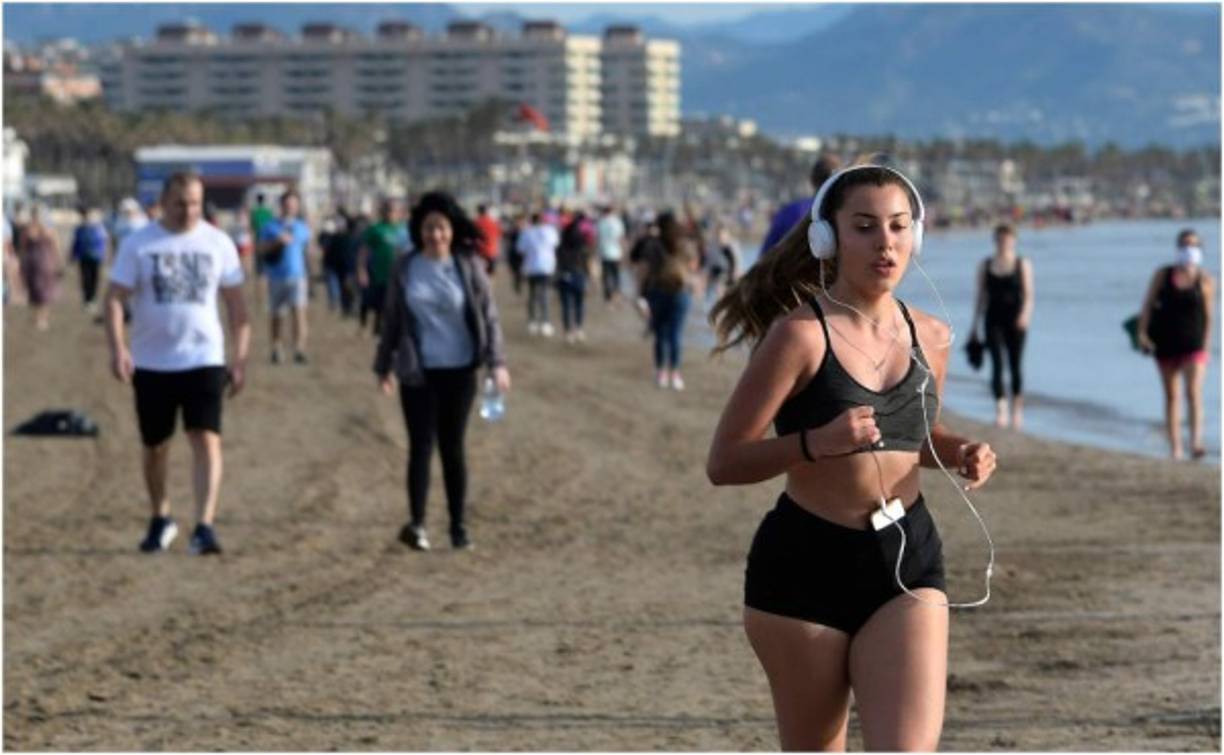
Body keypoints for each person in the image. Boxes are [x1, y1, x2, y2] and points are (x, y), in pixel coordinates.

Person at [705, 165, 997, 750]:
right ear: (828, 238)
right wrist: (816, 443)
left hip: (907, 557)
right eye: (864, 227)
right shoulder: (798, 337)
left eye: (897, 226)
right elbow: (725, 461)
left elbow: (919, 432)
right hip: (805, 566)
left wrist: (959, 450)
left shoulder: (932, 334)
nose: (884, 242)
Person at [104, 172, 250, 555]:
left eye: (196, 204)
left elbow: (237, 306)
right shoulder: (139, 244)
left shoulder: (218, 243)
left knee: (206, 437)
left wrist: (240, 358)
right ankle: (160, 516)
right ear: (164, 202)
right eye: (181, 203)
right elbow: (115, 298)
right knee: (156, 446)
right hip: (151, 362)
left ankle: (204, 525)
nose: (189, 211)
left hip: (204, 357)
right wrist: (118, 348)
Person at [373, 191, 510, 552]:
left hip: (460, 369)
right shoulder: (406, 267)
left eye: (442, 228)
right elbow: (391, 321)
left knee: (453, 448)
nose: (436, 235)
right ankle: (417, 524)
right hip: (417, 371)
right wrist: (383, 366)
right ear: (419, 230)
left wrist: (498, 363)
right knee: (420, 447)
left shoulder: (467, 265)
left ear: (452, 230)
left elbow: (489, 316)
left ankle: (458, 526)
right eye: (429, 228)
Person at [1138, 228, 1215, 460]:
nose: (1188, 249)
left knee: (1193, 392)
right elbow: (1147, 304)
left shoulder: (1206, 280)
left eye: (1193, 245)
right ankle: (1175, 447)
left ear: (1200, 249)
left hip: (1194, 343)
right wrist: (1142, 332)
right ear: (1177, 248)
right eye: (1184, 244)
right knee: (1172, 396)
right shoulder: (1163, 275)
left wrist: (1207, 345)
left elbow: (1209, 316)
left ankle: (1196, 442)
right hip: (1166, 341)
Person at [970, 223, 1034, 429]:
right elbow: (980, 297)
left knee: (1015, 365)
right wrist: (974, 326)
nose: (1003, 243)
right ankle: (1001, 409)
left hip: (1016, 320)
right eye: (1000, 239)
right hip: (993, 319)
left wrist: (1024, 315)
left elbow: (1029, 295)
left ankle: (1017, 409)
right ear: (995, 240)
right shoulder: (986, 264)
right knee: (997, 364)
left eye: (1007, 239)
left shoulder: (1022, 263)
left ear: (1013, 241)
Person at [640, 211, 699, 390]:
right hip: (681, 292)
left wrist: (641, 293)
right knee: (675, 334)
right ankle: (675, 374)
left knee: (660, 334)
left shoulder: (653, 245)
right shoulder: (685, 244)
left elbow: (645, 269)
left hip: (657, 291)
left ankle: (661, 373)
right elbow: (694, 265)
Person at [257, 190, 313, 364]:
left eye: (293, 204)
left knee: (299, 312)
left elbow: (308, 250)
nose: (290, 207)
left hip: (297, 276)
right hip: (276, 277)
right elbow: (261, 249)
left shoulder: (302, 227)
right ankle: (276, 348)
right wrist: (277, 242)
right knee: (277, 315)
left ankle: (299, 349)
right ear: (281, 206)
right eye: (287, 204)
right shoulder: (270, 227)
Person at [760, 153, 843, 255]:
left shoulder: (788, 212)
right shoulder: (845, 216)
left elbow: (764, 258)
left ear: (812, 180)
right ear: (840, 182)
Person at [357, 199, 401, 337]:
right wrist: (361, 269)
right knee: (380, 303)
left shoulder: (404, 229)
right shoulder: (376, 229)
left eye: (393, 210)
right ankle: (378, 328)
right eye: (387, 210)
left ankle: (391, 329)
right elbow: (364, 251)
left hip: (400, 275)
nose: (390, 213)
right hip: (380, 274)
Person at [18, 205, 64, 331]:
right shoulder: (28, 229)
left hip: (45, 263)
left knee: (44, 291)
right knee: (34, 290)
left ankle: (42, 317)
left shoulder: (48, 229)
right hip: (33, 263)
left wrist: (59, 262)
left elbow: (56, 246)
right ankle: (37, 316)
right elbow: (22, 248)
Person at [555, 210, 594, 344]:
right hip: (579, 275)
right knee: (579, 304)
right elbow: (588, 264)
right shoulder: (582, 247)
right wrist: (591, 279)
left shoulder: (561, 247)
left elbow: (557, 263)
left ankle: (568, 331)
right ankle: (579, 328)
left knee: (567, 305)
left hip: (565, 276)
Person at [517, 212, 558, 337]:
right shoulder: (550, 231)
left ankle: (532, 321)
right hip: (546, 267)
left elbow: (520, 249)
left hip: (531, 267)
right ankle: (545, 322)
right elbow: (555, 244)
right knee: (544, 294)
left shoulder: (526, 232)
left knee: (533, 294)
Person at [70, 206, 110, 319]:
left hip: (96, 257)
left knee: (95, 278)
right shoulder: (80, 228)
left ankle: (92, 299)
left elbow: (104, 242)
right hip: (84, 257)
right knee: (85, 278)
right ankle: (87, 299)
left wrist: (105, 255)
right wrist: (73, 255)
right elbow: (76, 243)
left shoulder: (99, 227)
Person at [596, 204, 626, 304]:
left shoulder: (601, 222)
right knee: (616, 274)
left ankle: (607, 294)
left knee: (606, 274)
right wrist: (623, 252)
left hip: (604, 251)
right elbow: (621, 238)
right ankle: (616, 292)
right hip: (616, 252)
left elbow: (597, 237)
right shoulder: (617, 222)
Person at [705, 223, 740, 308]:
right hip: (716, 270)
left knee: (722, 288)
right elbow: (709, 261)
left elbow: (737, 261)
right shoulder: (712, 244)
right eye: (718, 235)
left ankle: (723, 305)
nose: (720, 237)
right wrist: (707, 273)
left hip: (728, 271)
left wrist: (736, 273)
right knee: (712, 289)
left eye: (722, 235)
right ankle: (710, 306)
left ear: (727, 235)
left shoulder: (732, 245)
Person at [474, 203, 502, 275]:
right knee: (490, 273)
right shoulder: (493, 222)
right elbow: (499, 235)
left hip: (479, 252)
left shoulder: (475, 223)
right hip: (491, 251)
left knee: (480, 273)